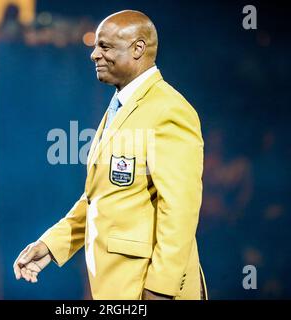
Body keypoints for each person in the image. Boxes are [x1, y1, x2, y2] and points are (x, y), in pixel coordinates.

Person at [13, 10, 207, 300]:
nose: (94, 55)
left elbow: (180, 210)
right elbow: (101, 198)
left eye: (104, 46)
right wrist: (52, 245)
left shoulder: (169, 110)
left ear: (138, 48)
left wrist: (161, 289)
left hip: (150, 291)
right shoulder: (121, 105)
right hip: (120, 288)